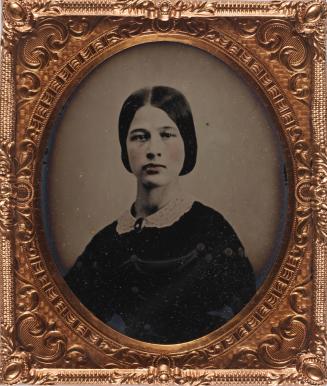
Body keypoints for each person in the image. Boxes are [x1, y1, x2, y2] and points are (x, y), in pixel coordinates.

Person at [65, 86, 256, 344]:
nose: (153, 150)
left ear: (187, 143)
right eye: (140, 137)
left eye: (166, 135)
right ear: (125, 148)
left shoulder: (211, 230)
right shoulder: (104, 243)